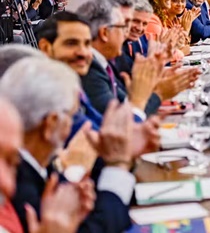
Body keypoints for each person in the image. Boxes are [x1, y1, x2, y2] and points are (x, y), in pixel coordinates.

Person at [1, 58, 135, 233]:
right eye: (72, 116)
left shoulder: (42, 164)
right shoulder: (21, 184)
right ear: (51, 124)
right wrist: (117, 165)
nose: (74, 125)